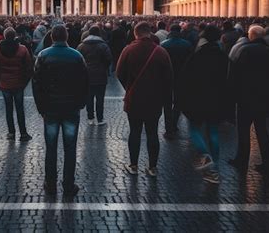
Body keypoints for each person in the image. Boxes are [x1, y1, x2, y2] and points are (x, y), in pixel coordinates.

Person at [33, 24, 89, 196]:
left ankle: (50, 185)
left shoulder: (43, 55)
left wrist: (41, 108)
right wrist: (80, 104)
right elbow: (85, 83)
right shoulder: (77, 55)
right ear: (66, 37)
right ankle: (68, 185)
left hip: (50, 109)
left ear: (51, 37)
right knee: (70, 148)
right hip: (71, 109)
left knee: (51, 148)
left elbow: (36, 84)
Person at [116, 21, 173, 177]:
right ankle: (152, 167)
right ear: (150, 33)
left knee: (134, 132)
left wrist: (129, 86)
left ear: (136, 34)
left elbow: (119, 72)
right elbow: (169, 77)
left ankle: (133, 165)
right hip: (154, 100)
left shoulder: (128, 50)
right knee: (152, 133)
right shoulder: (161, 52)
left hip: (134, 98)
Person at [177, 25, 228, 184]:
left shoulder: (197, 56)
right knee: (213, 132)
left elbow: (185, 79)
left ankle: (206, 157)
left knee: (194, 128)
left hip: (198, 99)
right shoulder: (223, 57)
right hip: (217, 99)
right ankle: (215, 170)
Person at [228, 25, 269, 177]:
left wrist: (233, 96)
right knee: (262, 131)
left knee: (243, 131)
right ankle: (268, 164)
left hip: (246, 98)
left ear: (251, 36)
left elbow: (236, 76)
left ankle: (242, 160)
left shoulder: (245, 50)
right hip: (263, 99)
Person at [0, 27, 33, 141]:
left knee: (8, 109)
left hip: (4, 83)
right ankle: (23, 133)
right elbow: (29, 67)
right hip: (19, 83)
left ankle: (11, 133)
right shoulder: (22, 49)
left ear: (4, 36)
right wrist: (24, 82)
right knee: (20, 109)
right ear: (14, 36)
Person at [160, 24, 193, 138]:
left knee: (167, 103)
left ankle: (168, 128)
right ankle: (174, 123)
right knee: (178, 102)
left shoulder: (163, 45)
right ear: (180, 31)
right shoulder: (187, 44)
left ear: (170, 31)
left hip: (166, 77)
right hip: (182, 77)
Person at [77, 25, 112, 126]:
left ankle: (90, 117)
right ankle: (100, 119)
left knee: (89, 98)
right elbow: (109, 59)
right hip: (101, 75)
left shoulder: (81, 46)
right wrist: (103, 68)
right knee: (100, 98)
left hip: (87, 76)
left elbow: (78, 60)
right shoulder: (103, 45)